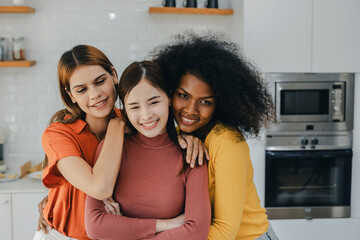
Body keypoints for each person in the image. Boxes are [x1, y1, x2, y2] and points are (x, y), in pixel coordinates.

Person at [152, 33, 279, 240]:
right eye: (183, 96)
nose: (190, 110)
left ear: (221, 104)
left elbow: (225, 230)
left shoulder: (227, 142)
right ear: (170, 92)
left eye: (205, 102)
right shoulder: (179, 136)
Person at [84, 61, 211, 239]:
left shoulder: (190, 154)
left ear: (168, 98)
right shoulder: (112, 148)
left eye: (153, 102)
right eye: (134, 106)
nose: (146, 115)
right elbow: (95, 225)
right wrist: (167, 224)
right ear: (125, 110)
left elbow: (196, 231)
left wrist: (123, 231)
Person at [33, 45, 126, 240]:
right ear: (71, 95)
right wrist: (117, 125)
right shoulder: (59, 133)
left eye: (100, 81)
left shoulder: (134, 122)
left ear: (114, 76)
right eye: (81, 89)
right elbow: (99, 188)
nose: (94, 94)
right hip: (62, 236)